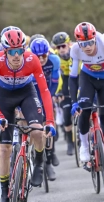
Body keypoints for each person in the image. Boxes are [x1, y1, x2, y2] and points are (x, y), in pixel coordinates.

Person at [0, 29, 56, 202]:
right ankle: (5, 195)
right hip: (3, 97)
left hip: (26, 93)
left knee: (37, 132)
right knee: (5, 149)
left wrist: (49, 120)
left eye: (20, 51)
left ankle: (40, 163)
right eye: (12, 52)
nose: (17, 56)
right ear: (5, 51)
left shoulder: (32, 60)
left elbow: (44, 91)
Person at [69, 22, 104, 179]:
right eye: (83, 44)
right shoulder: (75, 50)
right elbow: (73, 78)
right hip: (87, 78)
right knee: (84, 108)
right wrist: (74, 101)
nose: (87, 47)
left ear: (95, 38)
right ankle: (84, 145)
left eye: (90, 43)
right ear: (78, 43)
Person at [30, 37, 62, 180]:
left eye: (44, 55)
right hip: (32, 93)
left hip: (47, 91)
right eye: (38, 56)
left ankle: (49, 158)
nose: (41, 59)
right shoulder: (28, 62)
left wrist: (53, 95)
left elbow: (55, 81)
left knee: (49, 123)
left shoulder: (54, 60)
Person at [52, 32, 75, 155]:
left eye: (63, 46)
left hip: (76, 79)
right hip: (63, 82)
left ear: (69, 44)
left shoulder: (76, 53)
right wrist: (57, 92)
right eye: (58, 47)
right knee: (66, 113)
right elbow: (55, 77)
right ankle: (70, 142)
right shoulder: (55, 57)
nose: (61, 49)